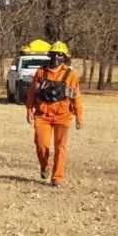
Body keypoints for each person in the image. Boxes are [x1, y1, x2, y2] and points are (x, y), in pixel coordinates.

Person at [26, 40, 83, 187]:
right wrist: (29, 109)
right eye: (53, 54)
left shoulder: (71, 74)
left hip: (63, 115)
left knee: (61, 147)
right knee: (41, 144)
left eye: (59, 54)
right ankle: (45, 166)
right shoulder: (41, 71)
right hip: (42, 114)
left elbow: (76, 96)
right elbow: (32, 92)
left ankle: (57, 177)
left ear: (64, 57)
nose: (56, 57)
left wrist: (79, 116)